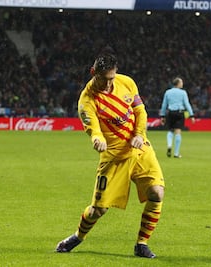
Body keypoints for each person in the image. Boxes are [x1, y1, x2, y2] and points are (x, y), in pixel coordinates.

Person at [55, 51, 165, 258]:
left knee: (157, 193)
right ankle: (78, 236)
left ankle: (141, 243)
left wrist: (139, 134)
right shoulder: (86, 100)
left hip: (140, 149)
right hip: (113, 157)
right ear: (93, 72)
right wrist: (97, 139)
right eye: (103, 79)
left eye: (111, 78)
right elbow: (93, 129)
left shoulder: (127, 82)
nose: (108, 84)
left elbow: (140, 111)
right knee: (99, 210)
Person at [160, 77, 195, 158]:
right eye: (181, 82)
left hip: (170, 113)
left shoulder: (168, 92)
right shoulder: (183, 93)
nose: (182, 84)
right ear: (178, 83)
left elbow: (164, 105)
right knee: (178, 132)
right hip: (179, 113)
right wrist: (191, 115)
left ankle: (169, 145)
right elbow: (187, 104)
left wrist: (162, 115)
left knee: (170, 130)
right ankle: (176, 153)